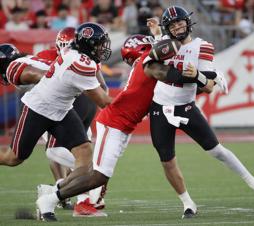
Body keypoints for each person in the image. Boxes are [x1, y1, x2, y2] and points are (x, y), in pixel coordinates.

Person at [35, 31, 219, 219]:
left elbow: (178, 85)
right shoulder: (150, 63)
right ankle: (52, 200)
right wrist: (203, 75)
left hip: (122, 125)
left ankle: (52, 192)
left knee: (95, 172)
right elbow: (173, 72)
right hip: (114, 122)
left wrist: (206, 77)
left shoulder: (147, 61)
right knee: (98, 175)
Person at [147, 5, 254, 218]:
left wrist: (199, 75)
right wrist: (157, 36)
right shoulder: (165, 45)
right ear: (168, 28)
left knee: (216, 150)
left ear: (188, 22)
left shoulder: (202, 46)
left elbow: (207, 87)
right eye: (173, 24)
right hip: (159, 106)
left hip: (186, 107)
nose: (177, 27)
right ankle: (187, 203)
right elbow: (152, 68)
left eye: (180, 22)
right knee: (166, 160)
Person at [0, 22, 112, 222]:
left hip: (62, 109)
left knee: (85, 159)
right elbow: (103, 100)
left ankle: (51, 195)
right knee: (13, 158)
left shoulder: (80, 57)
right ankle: (57, 193)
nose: (103, 48)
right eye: (100, 44)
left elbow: (100, 86)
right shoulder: (79, 62)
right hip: (39, 108)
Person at [36, 26, 107, 212]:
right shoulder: (49, 56)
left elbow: (102, 86)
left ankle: (56, 192)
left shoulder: (86, 58)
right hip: (58, 109)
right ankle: (73, 194)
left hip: (81, 109)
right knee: (81, 161)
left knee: (84, 155)